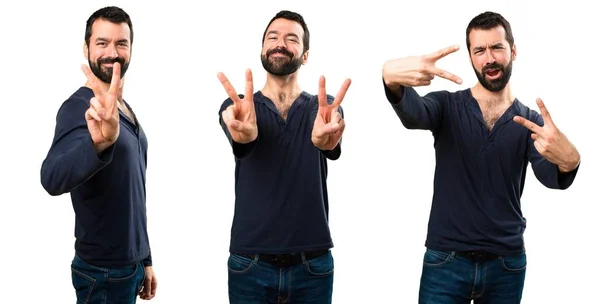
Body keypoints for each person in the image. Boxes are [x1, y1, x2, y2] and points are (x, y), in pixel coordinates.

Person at [381, 11, 580, 303]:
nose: (489, 58)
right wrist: (391, 76)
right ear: (472, 58)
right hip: (445, 262)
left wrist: (570, 160)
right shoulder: (446, 105)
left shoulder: (530, 122)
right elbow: (413, 113)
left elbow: (551, 175)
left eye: (497, 47)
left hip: (506, 265)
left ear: (513, 51)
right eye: (479, 51)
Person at [217, 10, 351, 304]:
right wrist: (244, 134)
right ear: (262, 49)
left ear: (304, 55)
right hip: (249, 263)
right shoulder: (238, 108)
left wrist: (324, 141)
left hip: (312, 265)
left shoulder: (325, 109)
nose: (280, 43)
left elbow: (330, 142)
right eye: (273, 37)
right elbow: (242, 138)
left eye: (292, 39)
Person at [40, 6, 157, 303]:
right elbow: (52, 177)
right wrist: (97, 144)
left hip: (128, 268)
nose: (112, 52)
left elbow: (133, 192)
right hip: (102, 273)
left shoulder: (124, 109)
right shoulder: (79, 108)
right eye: (102, 43)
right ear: (86, 48)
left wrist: (145, 258)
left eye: (121, 43)